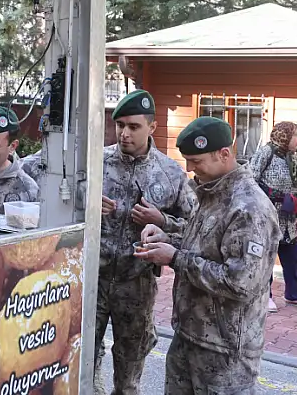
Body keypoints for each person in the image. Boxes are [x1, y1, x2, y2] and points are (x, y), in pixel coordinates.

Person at [136, 117, 281, 395]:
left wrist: (175, 257)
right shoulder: (211, 193)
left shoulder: (249, 208)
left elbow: (240, 281)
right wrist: (166, 239)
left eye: (196, 161)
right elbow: (203, 247)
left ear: (223, 154)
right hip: (190, 337)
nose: (189, 168)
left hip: (225, 351)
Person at [93, 90, 197, 395]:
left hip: (135, 285)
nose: (124, 133)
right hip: (91, 280)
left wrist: (163, 221)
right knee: (82, 363)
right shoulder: (93, 163)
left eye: (133, 126)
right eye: (119, 125)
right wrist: (84, 204)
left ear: (152, 127)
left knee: (128, 375)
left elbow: (196, 228)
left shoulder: (169, 174)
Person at [248, 121, 297, 312]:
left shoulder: (292, 157)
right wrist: (273, 197)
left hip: (289, 219)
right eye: (296, 135)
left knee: (293, 258)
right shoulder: (266, 153)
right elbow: (251, 180)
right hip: (268, 217)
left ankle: (294, 295)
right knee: (267, 258)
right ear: (284, 136)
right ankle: (265, 297)